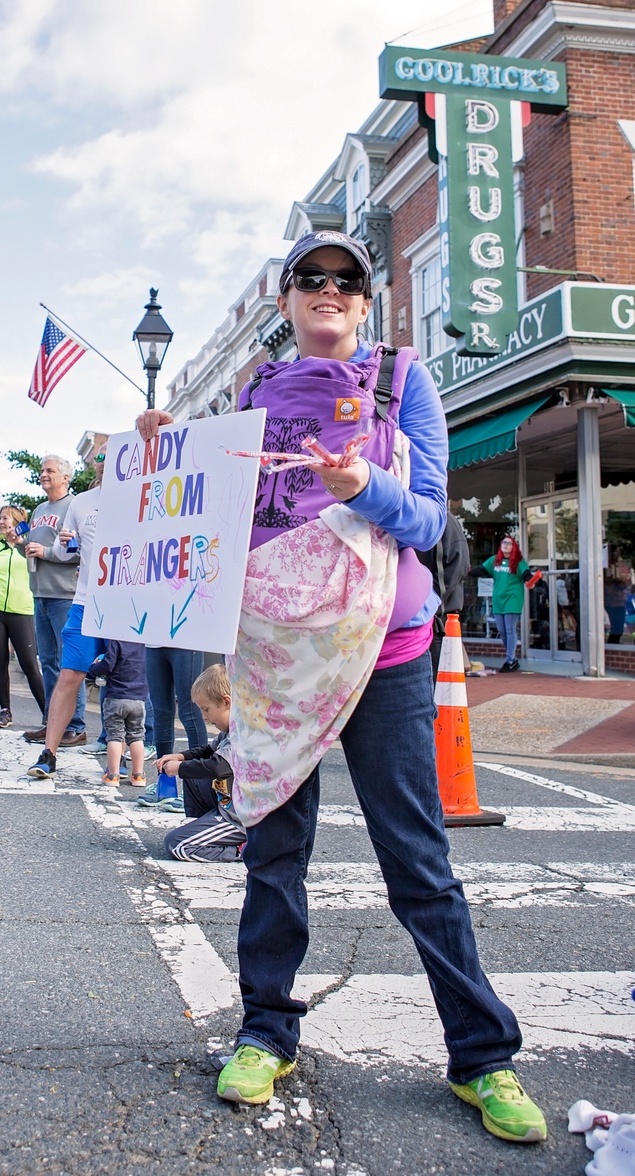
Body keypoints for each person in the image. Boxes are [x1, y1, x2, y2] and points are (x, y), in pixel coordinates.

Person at [136, 232, 546, 1143]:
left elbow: (431, 516)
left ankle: (483, 1055)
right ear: (287, 302)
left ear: (366, 303)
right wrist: (163, 453)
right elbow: (206, 514)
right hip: (276, 659)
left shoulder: (403, 382)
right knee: (273, 852)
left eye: (346, 280)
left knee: (418, 862)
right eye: (310, 279)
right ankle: (264, 1031)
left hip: (385, 653)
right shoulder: (250, 395)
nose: (329, 290)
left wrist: (364, 485)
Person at [26, 455, 103, 779]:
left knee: (131, 682)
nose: (105, 462)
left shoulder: (144, 496)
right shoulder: (82, 503)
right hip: (85, 602)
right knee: (68, 673)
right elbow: (64, 552)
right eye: (101, 458)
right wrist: (62, 546)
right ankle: (49, 753)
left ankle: (133, 752)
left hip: (128, 604)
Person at [23, 455, 86, 746]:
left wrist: (46, 552)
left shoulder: (74, 506)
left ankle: (76, 725)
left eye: (49, 470)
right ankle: (51, 721)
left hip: (64, 595)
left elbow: (78, 550)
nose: (43, 474)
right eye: (42, 470)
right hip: (40, 592)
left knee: (69, 662)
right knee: (47, 661)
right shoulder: (38, 509)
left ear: (65, 477)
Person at [159, 662, 246, 863]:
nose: (204, 716)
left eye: (206, 709)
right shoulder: (228, 730)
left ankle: (242, 849)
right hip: (229, 806)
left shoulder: (242, 734)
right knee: (193, 775)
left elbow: (218, 765)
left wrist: (180, 768)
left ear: (227, 702)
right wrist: (180, 757)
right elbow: (208, 751)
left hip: (239, 820)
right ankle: (205, 827)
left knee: (177, 845)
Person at [0, 506, 46, 730]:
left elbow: (38, 572)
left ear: (16, 521)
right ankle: (5, 711)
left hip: (22, 611)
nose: (1, 522)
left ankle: (49, 713)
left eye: (5, 518)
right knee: (0, 661)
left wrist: (23, 543)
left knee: (29, 664)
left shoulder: (27, 548)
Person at [136, 646, 207, 806]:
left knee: (190, 712)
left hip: (186, 640)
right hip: (154, 641)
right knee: (161, 713)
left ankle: (197, 789)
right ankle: (165, 784)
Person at [476, 536, 541, 673]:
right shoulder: (495, 560)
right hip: (498, 600)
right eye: (504, 542)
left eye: (509, 543)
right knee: (502, 631)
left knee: (510, 630)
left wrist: (530, 580)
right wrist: (464, 570)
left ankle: (509, 660)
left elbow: (526, 574)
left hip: (513, 598)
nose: (506, 545)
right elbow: (481, 570)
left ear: (514, 547)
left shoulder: (518, 562)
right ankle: (512, 659)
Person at [88, 638, 147, 788]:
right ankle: (138, 774)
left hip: (116, 697)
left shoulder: (116, 642)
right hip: (138, 699)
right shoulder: (143, 642)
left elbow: (107, 665)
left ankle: (113, 774)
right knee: (136, 736)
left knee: (114, 736)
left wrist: (93, 669)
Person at [418, 511, 471, 677]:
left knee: (439, 681)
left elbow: (458, 565)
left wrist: (429, 601)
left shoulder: (444, 521)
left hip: (439, 618)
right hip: (420, 617)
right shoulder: (409, 518)